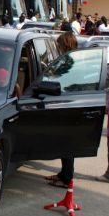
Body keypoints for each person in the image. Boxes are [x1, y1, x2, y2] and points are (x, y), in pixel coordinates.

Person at [45, 32, 79, 188]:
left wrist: (51, 74)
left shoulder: (69, 61)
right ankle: (63, 173)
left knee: (68, 145)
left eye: (59, 45)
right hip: (67, 104)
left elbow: (64, 81)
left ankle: (67, 178)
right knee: (64, 144)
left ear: (65, 45)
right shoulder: (70, 59)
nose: (57, 47)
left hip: (69, 106)